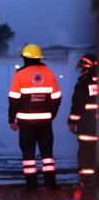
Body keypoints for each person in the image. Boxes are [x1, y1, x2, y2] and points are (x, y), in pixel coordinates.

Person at [8, 44, 62, 189]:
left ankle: (31, 186)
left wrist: (11, 119)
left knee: (28, 154)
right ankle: (51, 184)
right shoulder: (49, 73)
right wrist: (52, 114)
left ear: (25, 58)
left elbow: (14, 99)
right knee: (47, 154)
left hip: (25, 123)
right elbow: (56, 97)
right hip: (45, 122)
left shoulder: (19, 74)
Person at [68, 53, 98, 185]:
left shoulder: (83, 82)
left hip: (87, 124)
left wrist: (72, 121)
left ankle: (87, 180)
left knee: (86, 152)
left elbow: (78, 105)